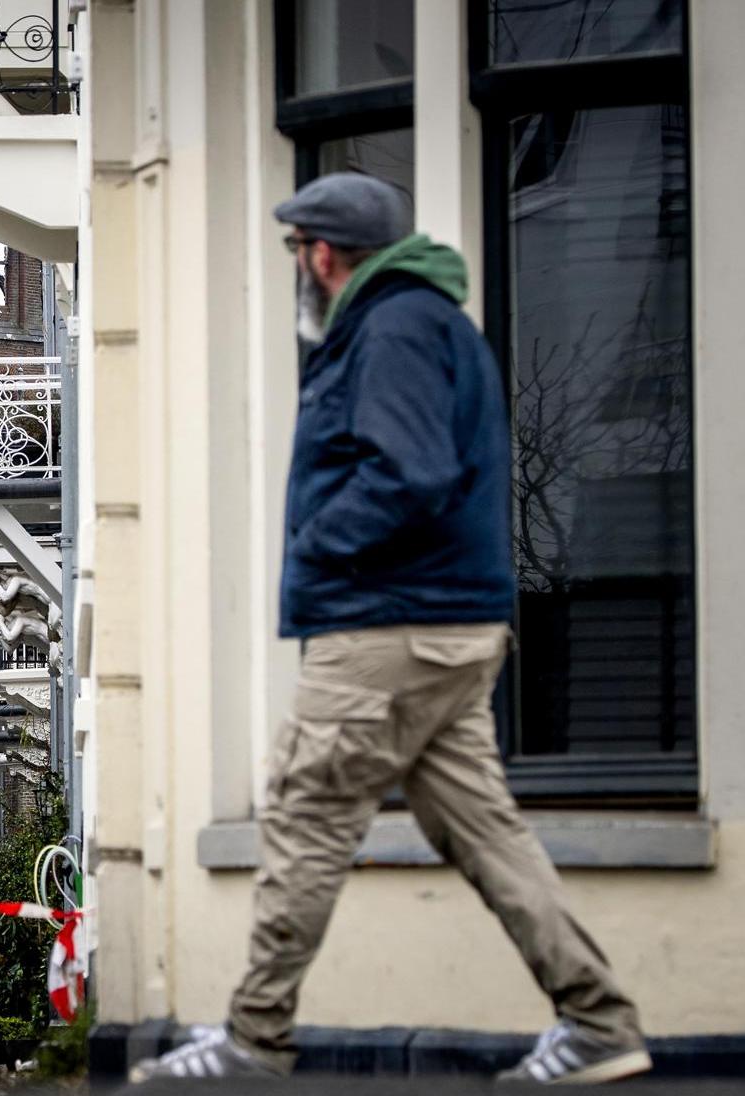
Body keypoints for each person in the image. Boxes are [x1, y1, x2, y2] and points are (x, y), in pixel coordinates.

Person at [129, 173, 650, 1086]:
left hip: (387, 626)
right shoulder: (429, 324)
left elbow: (407, 473)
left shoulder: (394, 326)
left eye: (297, 252)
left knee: (304, 813)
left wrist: (318, 548)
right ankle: (598, 1023)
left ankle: (252, 1038)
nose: (297, 267)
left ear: (322, 254)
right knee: (484, 833)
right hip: (446, 625)